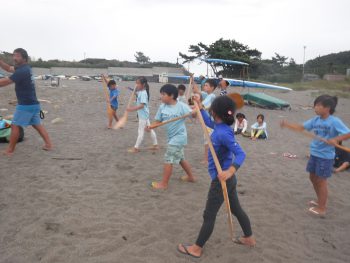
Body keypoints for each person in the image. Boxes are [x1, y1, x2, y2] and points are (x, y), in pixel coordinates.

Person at [177, 95, 255, 258]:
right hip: (228, 180)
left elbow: (241, 154)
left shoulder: (223, 134)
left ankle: (196, 248)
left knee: (209, 215)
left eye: (211, 107)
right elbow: (207, 122)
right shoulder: (220, 126)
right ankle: (248, 238)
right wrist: (199, 106)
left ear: (215, 112)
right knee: (236, 209)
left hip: (222, 180)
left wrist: (230, 171)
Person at [281, 95, 350, 216]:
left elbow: (347, 133)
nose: (315, 108)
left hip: (325, 156)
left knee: (321, 181)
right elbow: (301, 127)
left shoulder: (334, 121)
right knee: (312, 177)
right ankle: (319, 201)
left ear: (327, 108)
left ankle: (322, 208)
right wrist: (287, 125)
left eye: (318, 105)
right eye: (315, 105)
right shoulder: (315, 120)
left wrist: (336, 139)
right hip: (314, 153)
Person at [0, 48, 52, 156]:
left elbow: (5, 82)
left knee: (15, 126)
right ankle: (48, 145)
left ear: (24, 58)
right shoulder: (25, 68)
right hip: (33, 103)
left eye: (17, 56)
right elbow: (9, 68)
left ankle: (10, 151)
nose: (14, 58)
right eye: (14, 55)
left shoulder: (22, 71)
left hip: (26, 105)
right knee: (37, 124)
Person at [149, 84, 195, 190]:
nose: (161, 96)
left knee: (168, 158)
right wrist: (151, 126)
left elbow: (193, 115)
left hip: (179, 137)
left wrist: (195, 112)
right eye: (161, 94)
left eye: (163, 94)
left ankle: (164, 184)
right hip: (171, 136)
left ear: (172, 95)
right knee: (180, 158)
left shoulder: (182, 106)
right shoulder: (162, 107)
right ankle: (191, 177)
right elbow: (158, 121)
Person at [126, 77, 158, 153]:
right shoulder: (141, 92)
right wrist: (131, 90)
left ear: (143, 84)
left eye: (138, 83)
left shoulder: (143, 93)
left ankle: (136, 148)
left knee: (140, 131)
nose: (136, 85)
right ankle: (155, 145)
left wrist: (131, 109)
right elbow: (136, 93)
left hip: (143, 115)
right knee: (150, 129)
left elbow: (142, 105)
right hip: (145, 114)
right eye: (136, 83)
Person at [193, 78, 217, 164]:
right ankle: (207, 158)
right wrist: (192, 80)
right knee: (207, 139)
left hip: (211, 121)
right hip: (207, 121)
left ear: (212, 87)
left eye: (206, 85)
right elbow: (197, 92)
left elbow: (202, 105)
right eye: (204, 85)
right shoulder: (207, 94)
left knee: (208, 140)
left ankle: (207, 159)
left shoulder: (212, 96)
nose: (204, 86)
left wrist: (194, 109)